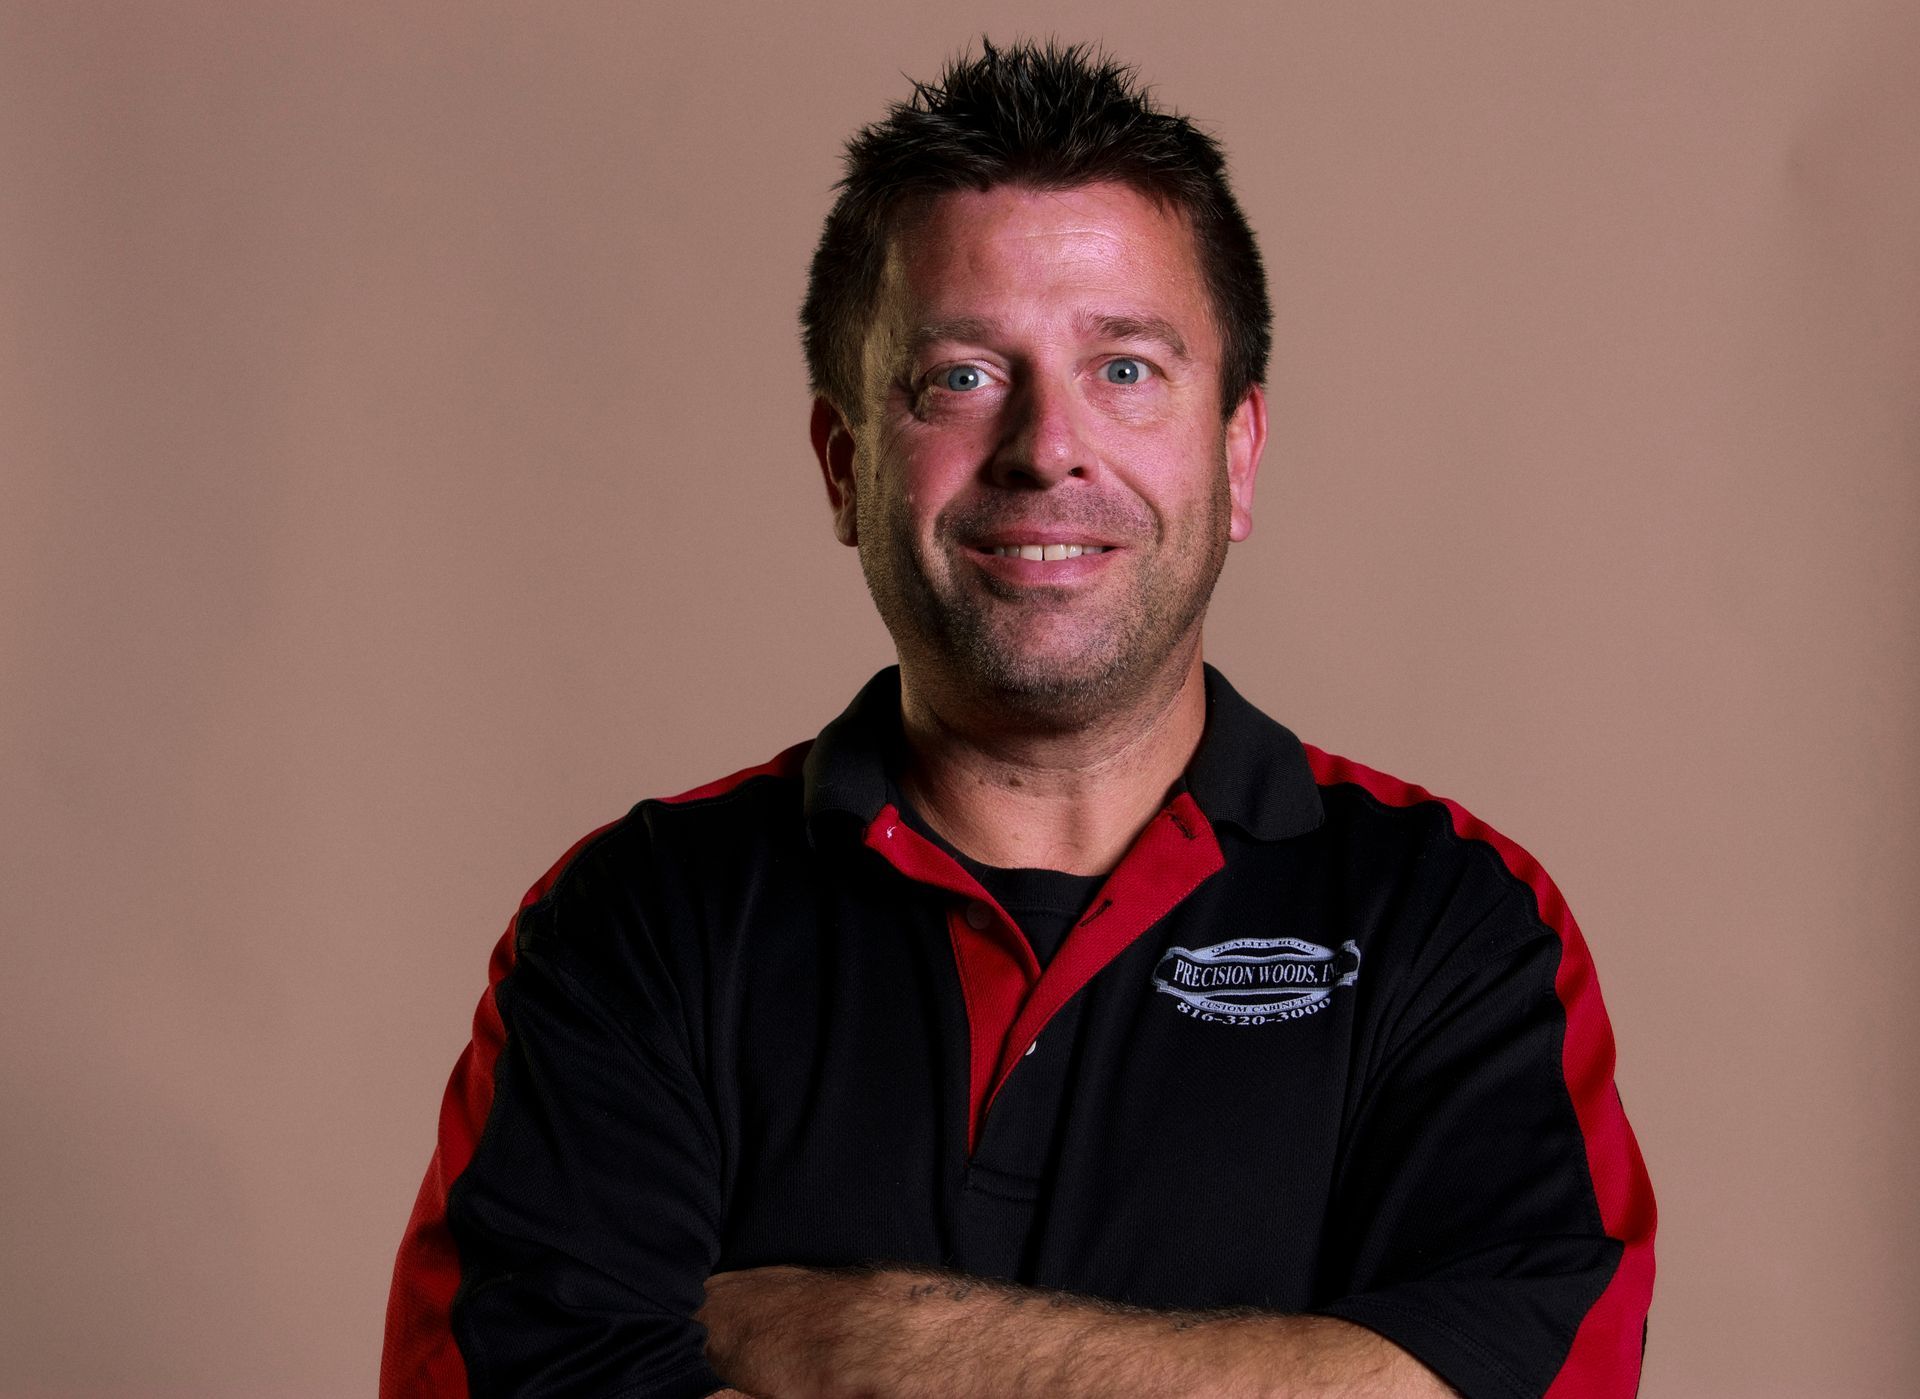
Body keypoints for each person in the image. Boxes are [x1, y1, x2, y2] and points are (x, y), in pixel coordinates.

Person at [381, 40, 1655, 1399]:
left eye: (1126, 370)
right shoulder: (636, 925)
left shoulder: (1454, 924)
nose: (1048, 446)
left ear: (1237, 454)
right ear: (845, 461)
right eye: (963, 376)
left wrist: (858, 1342)